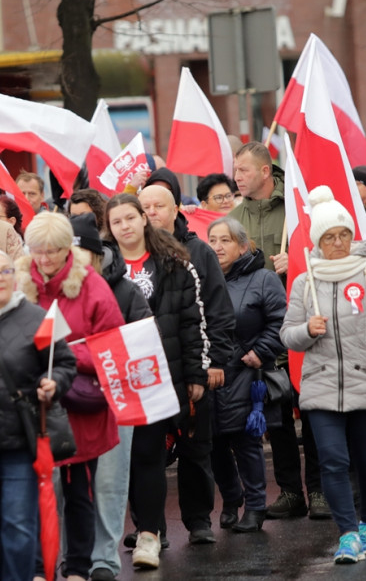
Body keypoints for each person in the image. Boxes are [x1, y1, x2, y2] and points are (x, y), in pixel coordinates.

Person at [281, 186, 366, 564]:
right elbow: (287, 335)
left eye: (343, 235)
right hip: (321, 388)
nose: (337, 243)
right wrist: (307, 330)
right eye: (329, 237)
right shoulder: (305, 283)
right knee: (332, 460)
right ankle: (347, 534)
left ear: (353, 236)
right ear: (318, 240)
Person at [15, 212, 124, 581]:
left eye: (52, 252)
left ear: (68, 250)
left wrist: (61, 354)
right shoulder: (17, 281)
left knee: (79, 494)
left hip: (79, 406)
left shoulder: (92, 286)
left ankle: (78, 568)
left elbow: (113, 348)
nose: (43, 260)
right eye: (36, 252)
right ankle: (36, 568)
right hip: (31, 406)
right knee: (31, 493)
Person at [104, 194, 206, 571]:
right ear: (109, 229)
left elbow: (192, 322)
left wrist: (195, 372)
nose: (125, 226)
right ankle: (141, 528)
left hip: (161, 375)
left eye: (131, 217)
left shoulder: (173, 263)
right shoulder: (100, 269)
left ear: (144, 219)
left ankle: (150, 533)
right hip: (116, 376)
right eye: (117, 222)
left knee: (150, 455)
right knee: (122, 461)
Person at [0, 249, 77, 581]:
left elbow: (64, 362)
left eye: (5, 270)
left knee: (18, 523)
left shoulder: (38, 317)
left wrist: (53, 383)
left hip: (20, 437)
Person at [139, 176, 237, 543]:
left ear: (176, 209)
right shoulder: (128, 257)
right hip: (147, 372)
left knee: (196, 450)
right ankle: (152, 529)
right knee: (146, 454)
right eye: (144, 207)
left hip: (192, 368)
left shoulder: (199, 253)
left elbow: (219, 313)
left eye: (158, 206)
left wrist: (214, 362)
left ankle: (198, 522)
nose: (150, 213)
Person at [69, 213, 152, 581]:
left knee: (109, 484)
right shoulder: (51, 291)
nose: (72, 260)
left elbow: (143, 345)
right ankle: (68, 560)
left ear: (95, 254)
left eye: (79, 252)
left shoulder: (125, 291)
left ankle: (104, 560)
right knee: (65, 487)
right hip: (68, 401)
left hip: (117, 397)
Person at [207, 216, 286, 533]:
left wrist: (260, 351)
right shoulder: (202, 279)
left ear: (243, 246)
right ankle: (231, 498)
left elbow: (281, 321)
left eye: (224, 240)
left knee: (244, 442)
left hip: (245, 372)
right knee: (213, 442)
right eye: (212, 240)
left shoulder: (264, 279)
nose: (217, 247)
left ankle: (255, 507)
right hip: (211, 372)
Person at [229, 141, 286, 271]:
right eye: (236, 170)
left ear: (265, 172)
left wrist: (295, 264)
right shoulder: (232, 220)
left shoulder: (294, 210)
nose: (237, 177)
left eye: (243, 170)